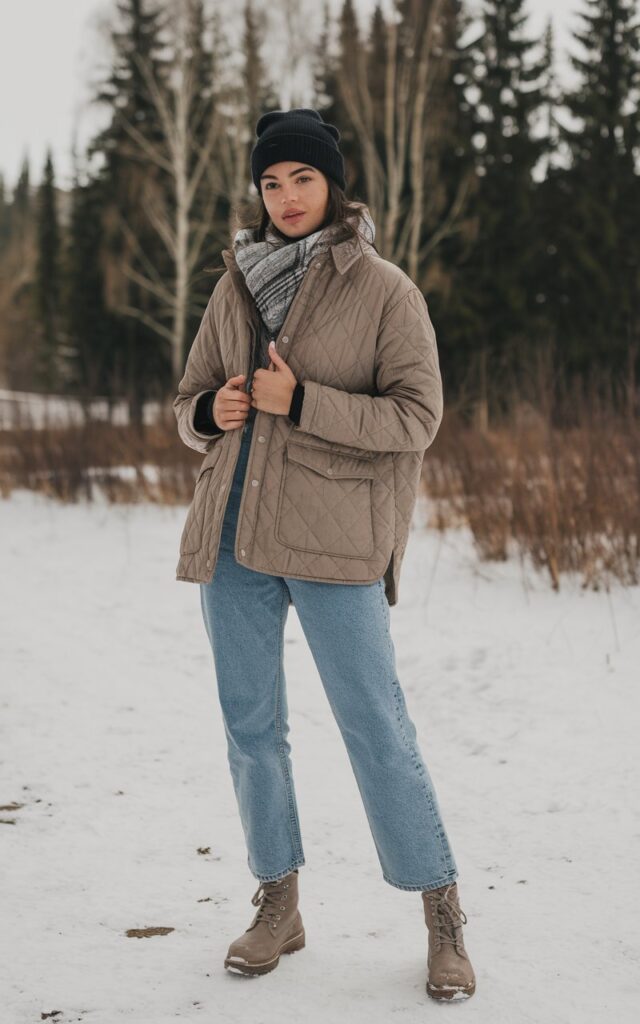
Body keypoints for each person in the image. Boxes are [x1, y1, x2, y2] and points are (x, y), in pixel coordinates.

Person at [172, 108, 476, 1001]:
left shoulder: (386, 291)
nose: (287, 196)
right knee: (250, 729)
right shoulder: (233, 283)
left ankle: (441, 908)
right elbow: (189, 397)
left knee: (377, 727)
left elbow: (417, 420)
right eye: (272, 182)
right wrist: (208, 414)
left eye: (303, 179)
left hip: (337, 543)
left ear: (333, 185)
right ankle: (280, 902)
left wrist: (302, 402)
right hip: (234, 539)